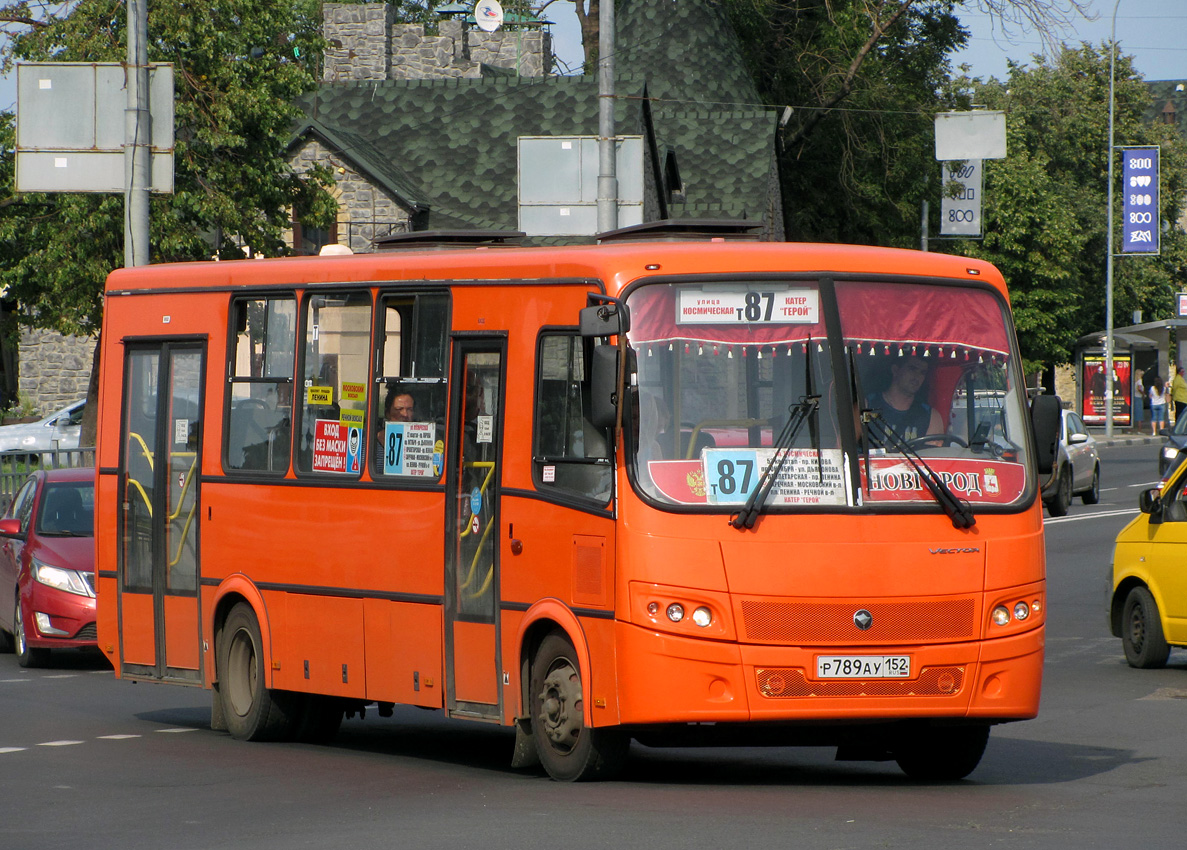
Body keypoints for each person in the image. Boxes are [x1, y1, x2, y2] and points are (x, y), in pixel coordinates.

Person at [866, 355, 944, 443]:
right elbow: (854, 447)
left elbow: (933, 453)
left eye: (922, 372)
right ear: (895, 370)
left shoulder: (930, 416)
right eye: (912, 369)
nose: (917, 376)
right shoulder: (867, 406)